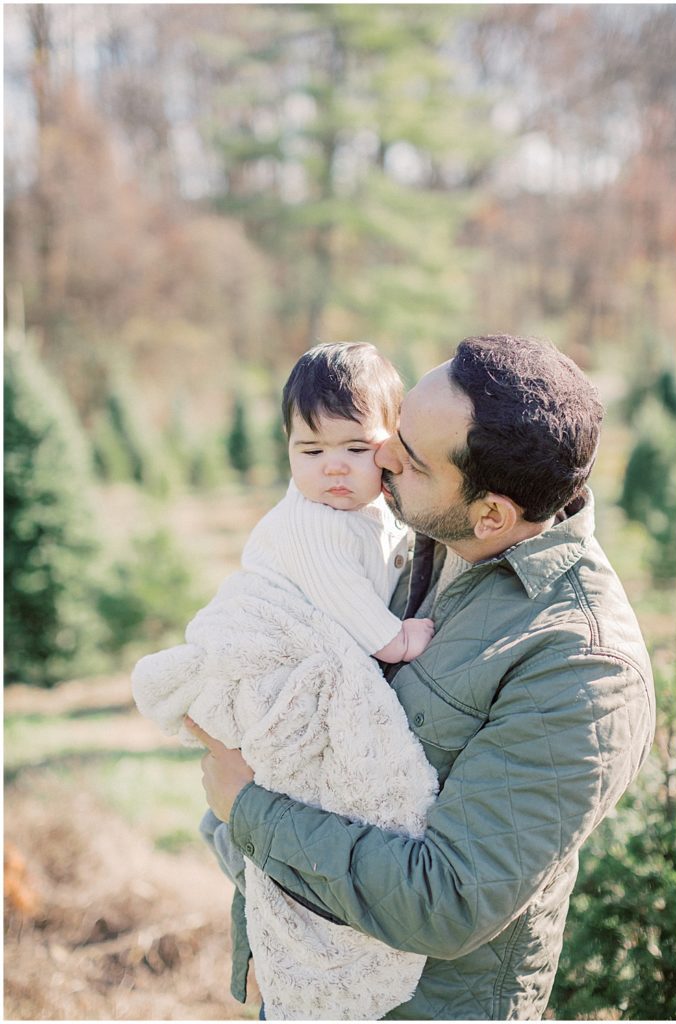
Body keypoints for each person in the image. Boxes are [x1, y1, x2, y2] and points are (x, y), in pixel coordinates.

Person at [186, 333, 656, 1021]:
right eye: (396, 429)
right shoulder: (419, 537)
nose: (378, 454)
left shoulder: (578, 668)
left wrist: (248, 812)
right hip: (301, 986)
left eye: (406, 458)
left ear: (490, 512)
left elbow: (446, 902)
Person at [132, 342, 441, 1020]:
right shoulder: (312, 522)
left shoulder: (374, 513)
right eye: (310, 451)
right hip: (272, 641)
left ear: (393, 448)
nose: (332, 467)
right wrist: (394, 639)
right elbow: (340, 594)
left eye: (356, 449)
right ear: (287, 451)